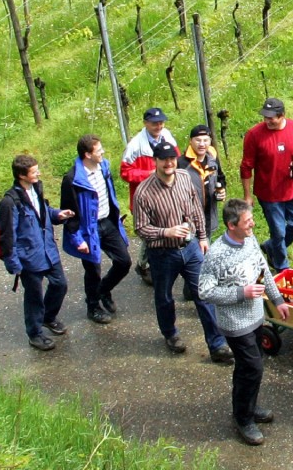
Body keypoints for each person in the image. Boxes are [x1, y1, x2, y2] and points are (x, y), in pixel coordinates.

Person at [133, 140, 235, 364]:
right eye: (163, 160)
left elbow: (196, 209)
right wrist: (166, 232)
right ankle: (170, 334)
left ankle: (217, 344)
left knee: (204, 294)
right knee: (164, 297)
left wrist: (201, 237)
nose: (168, 163)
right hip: (162, 255)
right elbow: (140, 228)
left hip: (190, 250)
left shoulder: (184, 178)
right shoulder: (143, 192)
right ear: (156, 161)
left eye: (171, 159)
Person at [199, 199, 290, 446]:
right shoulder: (216, 254)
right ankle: (243, 419)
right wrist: (242, 292)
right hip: (234, 323)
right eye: (247, 221)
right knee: (253, 367)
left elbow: (264, 270)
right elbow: (204, 292)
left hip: (255, 318)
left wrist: (278, 299)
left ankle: (249, 406)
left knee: (250, 367)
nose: (253, 224)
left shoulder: (249, 240)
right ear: (231, 225)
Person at [0, 154, 76, 351]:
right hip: (29, 257)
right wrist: (14, 265)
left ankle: (48, 317)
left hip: (47, 250)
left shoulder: (36, 189)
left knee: (60, 284)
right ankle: (34, 333)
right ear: (21, 175)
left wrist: (58, 214)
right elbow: (8, 236)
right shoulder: (9, 202)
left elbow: (43, 212)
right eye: (34, 171)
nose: (39, 173)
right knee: (34, 296)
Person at [60, 134, 132, 325]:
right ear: (87, 154)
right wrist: (77, 239)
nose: (103, 153)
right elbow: (69, 213)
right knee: (93, 269)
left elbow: (110, 194)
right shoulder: (72, 179)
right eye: (99, 151)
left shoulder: (104, 167)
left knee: (124, 262)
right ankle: (93, 307)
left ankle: (103, 290)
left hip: (107, 222)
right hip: (87, 229)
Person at [241, 97, 293, 271]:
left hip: (292, 190)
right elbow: (246, 167)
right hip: (268, 194)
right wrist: (247, 195)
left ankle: (270, 246)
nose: (267, 121)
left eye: (271, 118)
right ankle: (282, 267)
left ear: (282, 115)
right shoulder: (254, 134)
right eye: (265, 117)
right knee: (279, 232)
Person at [122, 107, 179, 285]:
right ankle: (144, 265)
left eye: (161, 122)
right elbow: (125, 172)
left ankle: (149, 264)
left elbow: (176, 160)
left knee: (160, 232)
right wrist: (148, 174)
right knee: (149, 233)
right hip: (144, 199)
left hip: (166, 195)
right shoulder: (135, 146)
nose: (159, 126)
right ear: (145, 123)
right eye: (154, 123)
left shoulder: (167, 136)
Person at [179, 124, 227, 239]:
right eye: (198, 140)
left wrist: (221, 191)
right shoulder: (181, 164)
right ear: (191, 141)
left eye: (205, 140)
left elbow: (220, 178)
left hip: (209, 216)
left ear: (210, 141)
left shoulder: (212, 159)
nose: (202, 144)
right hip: (188, 220)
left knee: (206, 247)